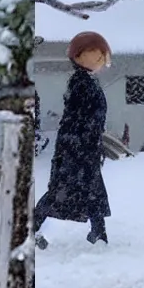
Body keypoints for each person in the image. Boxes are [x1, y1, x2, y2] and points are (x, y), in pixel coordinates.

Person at [33, 31, 113, 248]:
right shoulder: (81, 83)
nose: (99, 59)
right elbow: (78, 117)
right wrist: (84, 142)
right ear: (78, 56)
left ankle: (99, 233)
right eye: (94, 55)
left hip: (84, 145)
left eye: (100, 55)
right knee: (62, 191)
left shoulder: (86, 81)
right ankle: (30, 228)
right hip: (76, 147)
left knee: (91, 189)